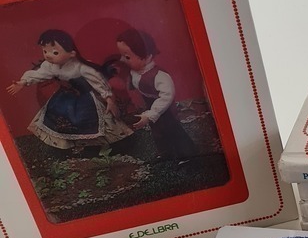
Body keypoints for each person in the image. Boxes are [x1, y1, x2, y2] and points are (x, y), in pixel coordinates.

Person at [6, 28, 132, 151]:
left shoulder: (81, 67)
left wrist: (109, 99)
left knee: (88, 120)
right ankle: (71, 146)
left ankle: (98, 146)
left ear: (72, 53)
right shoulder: (50, 66)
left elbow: (98, 81)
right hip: (63, 98)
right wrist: (23, 82)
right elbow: (39, 74)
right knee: (60, 121)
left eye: (55, 53)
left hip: (84, 97)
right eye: (45, 51)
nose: (48, 56)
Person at [115, 28, 197, 159]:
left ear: (147, 56)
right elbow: (133, 83)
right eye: (122, 56)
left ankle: (186, 154)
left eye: (127, 57)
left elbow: (167, 95)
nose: (123, 60)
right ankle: (165, 152)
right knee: (157, 130)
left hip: (164, 108)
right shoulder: (135, 71)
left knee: (172, 130)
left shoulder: (159, 76)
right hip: (150, 105)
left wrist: (153, 113)